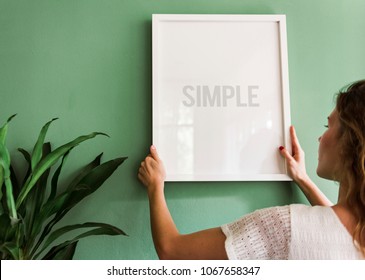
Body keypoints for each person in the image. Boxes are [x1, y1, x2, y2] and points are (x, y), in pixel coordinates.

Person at [138, 80, 365, 260]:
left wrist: (155, 185)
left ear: (350, 142)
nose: (320, 136)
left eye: (328, 126)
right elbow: (335, 231)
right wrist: (303, 179)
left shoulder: (284, 226)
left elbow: (173, 252)